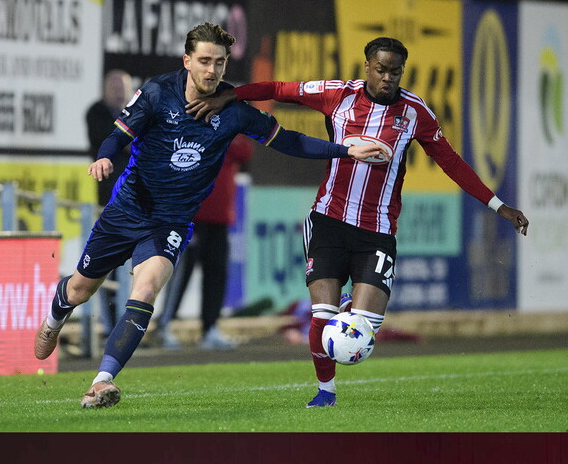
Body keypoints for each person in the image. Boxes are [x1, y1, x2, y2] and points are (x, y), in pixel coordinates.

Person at [33, 22, 386, 409]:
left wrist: (344, 151)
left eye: (219, 63)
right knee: (81, 289)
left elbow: (289, 141)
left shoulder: (234, 111)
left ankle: (101, 381)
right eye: (204, 61)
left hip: (172, 220)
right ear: (187, 60)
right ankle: (55, 317)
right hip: (128, 209)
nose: (212, 71)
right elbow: (118, 134)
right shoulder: (156, 93)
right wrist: (103, 155)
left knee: (146, 289)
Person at [186, 36, 530, 408]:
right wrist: (230, 96)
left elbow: (452, 163)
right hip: (329, 221)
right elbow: (277, 88)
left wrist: (499, 205)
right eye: (381, 70)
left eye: (395, 72)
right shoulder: (337, 94)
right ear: (366, 66)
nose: (387, 78)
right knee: (322, 316)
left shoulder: (415, 113)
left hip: (378, 230)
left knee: (365, 331)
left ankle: (352, 307)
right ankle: (325, 392)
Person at [156, 133, 254, 350]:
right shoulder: (194, 127)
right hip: (193, 216)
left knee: (216, 273)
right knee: (180, 273)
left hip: (220, 217)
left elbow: (245, 151)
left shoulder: (232, 125)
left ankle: (210, 328)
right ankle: (165, 325)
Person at [84, 69, 136, 346]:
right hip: (107, 202)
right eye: (113, 85)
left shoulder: (138, 113)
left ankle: (125, 324)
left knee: (131, 265)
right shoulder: (96, 113)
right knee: (104, 262)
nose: (118, 90)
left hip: (137, 201)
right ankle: (107, 324)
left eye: (123, 86)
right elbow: (110, 141)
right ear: (104, 88)